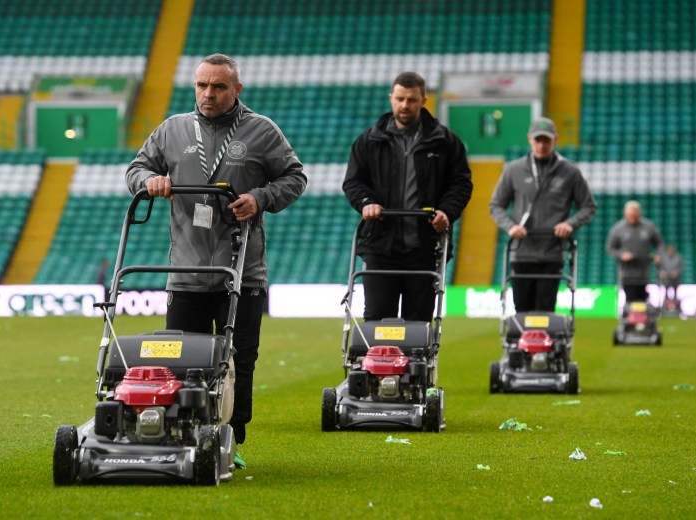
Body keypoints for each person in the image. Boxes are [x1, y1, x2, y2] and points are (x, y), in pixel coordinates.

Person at [125, 53, 307, 459]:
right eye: (202, 85)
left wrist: (260, 198)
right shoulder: (172, 130)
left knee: (238, 361)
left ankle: (232, 440)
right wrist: (149, 180)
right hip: (185, 272)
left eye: (219, 86)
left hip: (241, 274)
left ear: (237, 89)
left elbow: (295, 177)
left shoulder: (262, 131)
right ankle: (179, 435)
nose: (208, 94)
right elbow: (135, 169)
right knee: (181, 360)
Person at [342, 71, 473, 322]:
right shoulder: (369, 141)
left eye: (412, 100)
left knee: (419, 324)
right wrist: (366, 203)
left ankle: (416, 363)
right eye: (400, 98)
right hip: (380, 246)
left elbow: (461, 184)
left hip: (425, 247)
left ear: (423, 101)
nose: (405, 105)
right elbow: (353, 182)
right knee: (377, 320)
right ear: (391, 98)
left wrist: (447, 210)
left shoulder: (445, 142)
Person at [489, 117, 597, 313]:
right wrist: (510, 226)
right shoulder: (514, 170)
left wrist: (570, 224)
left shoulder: (570, 172)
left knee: (545, 311)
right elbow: (496, 205)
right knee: (521, 310)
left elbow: (588, 207)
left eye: (546, 140)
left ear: (554, 140)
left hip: (552, 252)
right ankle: (522, 344)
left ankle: (544, 343)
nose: (541, 145)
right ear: (529, 139)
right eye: (538, 140)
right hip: (521, 252)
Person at [606, 200, 664, 303]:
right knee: (630, 299)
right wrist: (621, 255)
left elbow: (659, 243)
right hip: (626, 273)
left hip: (644, 272)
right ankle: (630, 317)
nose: (632, 218)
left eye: (634, 215)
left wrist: (658, 255)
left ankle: (642, 317)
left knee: (642, 299)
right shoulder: (618, 229)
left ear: (639, 213)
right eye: (629, 215)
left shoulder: (648, 227)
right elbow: (610, 248)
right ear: (625, 214)